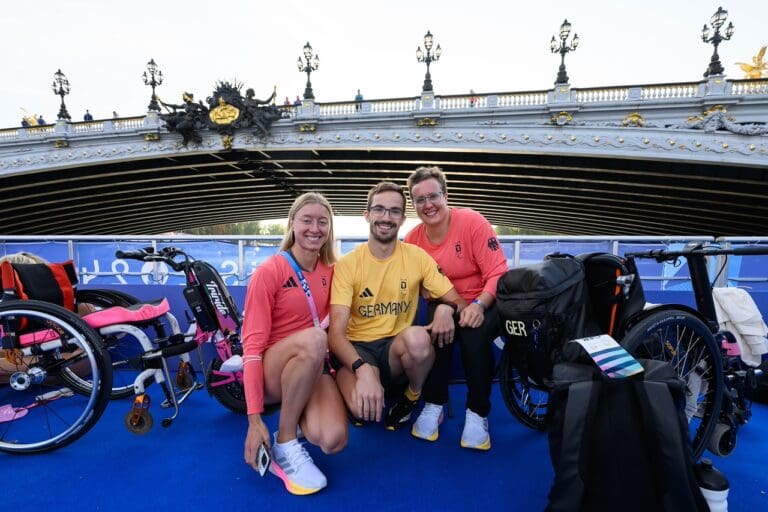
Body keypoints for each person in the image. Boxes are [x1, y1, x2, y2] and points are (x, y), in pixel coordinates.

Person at [329, 181, 466, 432]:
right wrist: (362, 369)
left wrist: (447, 309)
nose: (386, 217)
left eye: (394, 211)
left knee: (418, 339)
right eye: (379, 209)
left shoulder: (417, 257)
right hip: (359, 351)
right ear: (367, 215)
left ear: (403, 218)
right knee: (364, 412)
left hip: (395, 352)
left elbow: (457, 300)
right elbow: (335, 335)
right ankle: (361, 385)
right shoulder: (348, 264)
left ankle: (411, 396)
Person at [241, 192, 348, 496]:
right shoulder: (269, 271)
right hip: (273, 373)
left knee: (333, 440)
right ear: (291, 224)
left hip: (312, 366)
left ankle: (298, 415)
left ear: (330, 229)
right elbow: (251, 351)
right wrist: (254, 419)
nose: (314, 228)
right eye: (307, 220)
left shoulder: (333, 271)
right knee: (315, 338)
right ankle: (285, 441)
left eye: (322, 222)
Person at [404, 166, 508, 450]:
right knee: (437, 334)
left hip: (484, 299)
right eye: (420, 200)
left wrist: (478, 305)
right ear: (414, 205)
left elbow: (498, 272)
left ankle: (477, 412)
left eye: (433, 196)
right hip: (444, 301)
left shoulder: (472, 222)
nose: (428, 205)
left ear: (446, 195)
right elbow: (419, 286)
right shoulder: (412, 239)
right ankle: (435, 403)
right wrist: (446, 307)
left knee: (474, 336)